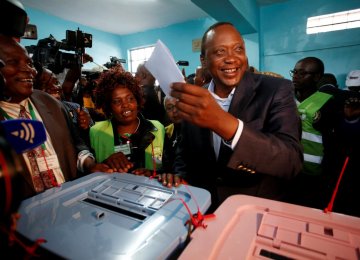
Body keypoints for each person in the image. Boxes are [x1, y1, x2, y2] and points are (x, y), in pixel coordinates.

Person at [164, 22, 303, 211]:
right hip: (204, 210)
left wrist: (222, 123)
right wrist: (179, 176)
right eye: (220, 52)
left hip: (254, 212)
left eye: (238, 49)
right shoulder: (195, 98)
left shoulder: (276, 89)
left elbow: (291, 162)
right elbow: (185, 154)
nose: (232, 59)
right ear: (203, 60)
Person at [0, 35, 112, 198]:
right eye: (14, 62)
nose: (30, 70)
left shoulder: (51, 103)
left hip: (69, 204)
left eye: (30, 63)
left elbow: (77, 145)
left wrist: (89, 165)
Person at [90, 65, 166, 177]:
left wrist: (154, 174)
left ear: (137, 100)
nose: (125, 105)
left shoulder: (157, 128)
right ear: (108, 106)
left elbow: (171, 168)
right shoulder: (96, 132)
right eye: (117, 101)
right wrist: (105, 164)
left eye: (130, 98)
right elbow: (90, 170)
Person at [287, 57, 337, 209]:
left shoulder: (329, 102)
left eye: (302, 73)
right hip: (287, 168)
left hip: (314, 174)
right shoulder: (287, 99)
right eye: (294, 72)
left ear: (317, 77)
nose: (296, 76)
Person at [33, 65, 94, 145]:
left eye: (56, 82)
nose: (55, 87)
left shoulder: (76, 109)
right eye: (45, 85)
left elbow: (94, 143)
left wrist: (88, 128)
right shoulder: (32, 116)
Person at [162, 96, 182, 172]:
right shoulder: (166, 131)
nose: (174, 111)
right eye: (169, 108)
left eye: (178, 106)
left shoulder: (197, 132)